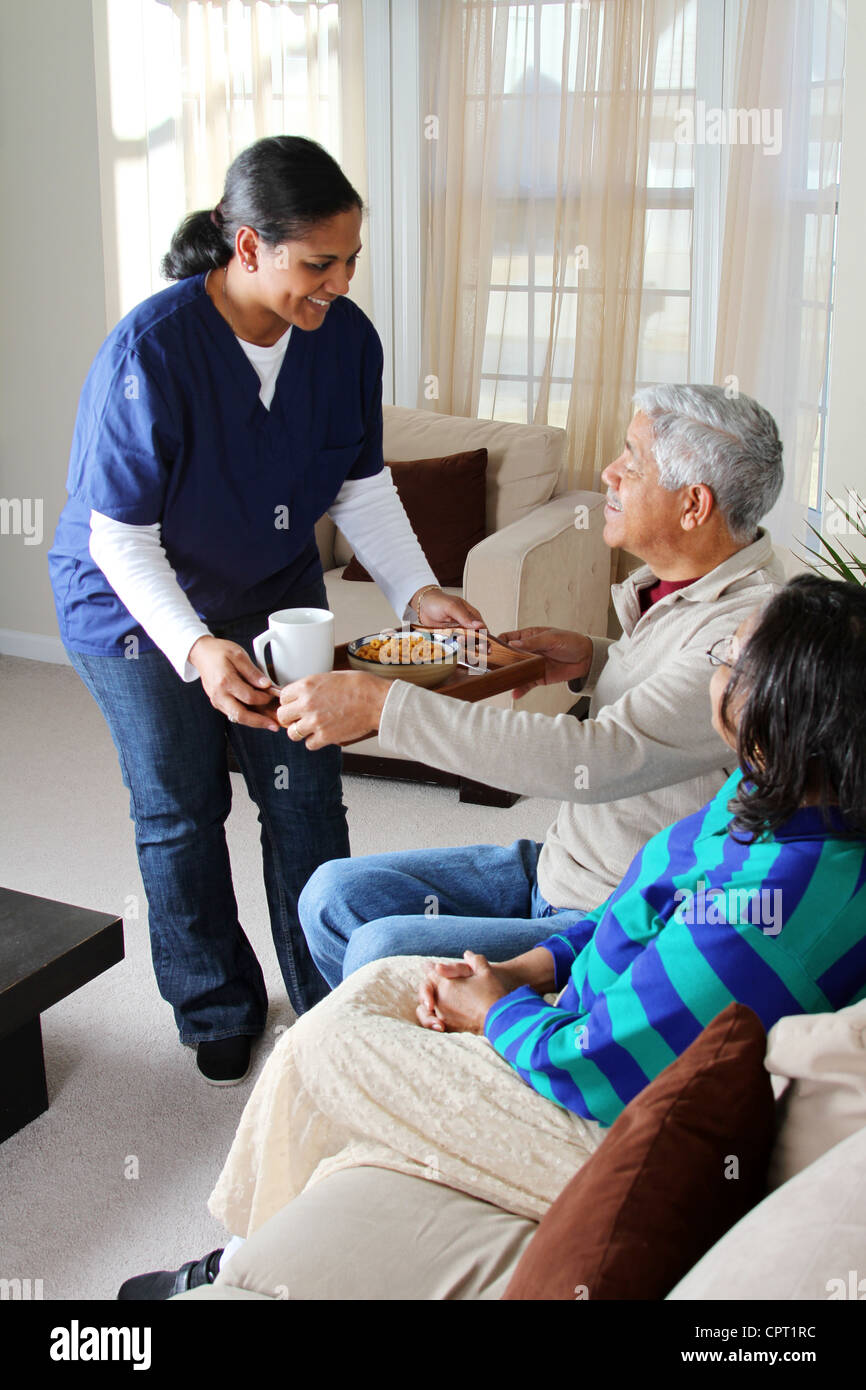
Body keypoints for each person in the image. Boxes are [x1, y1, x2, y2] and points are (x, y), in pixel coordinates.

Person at [117, 575, 866, 1298]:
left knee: (323, 1046)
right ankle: (268, 1243)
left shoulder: (763, 912)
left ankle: (238, 1262)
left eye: (730, 659)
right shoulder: (767, 793)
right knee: (372, 974)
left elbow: (596, 1068)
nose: (716, 668)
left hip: (593, 1115)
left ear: (783, 706)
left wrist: (494, 1011)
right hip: (580, 1000)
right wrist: (527, 968)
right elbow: (635, 914)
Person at [47, 135, 482, 1084]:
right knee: (180, 806)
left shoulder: (345, 340)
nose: (340, 283)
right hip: (134, 606)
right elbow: (122, 538)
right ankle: (215, 1006)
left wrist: (417, 589)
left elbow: (360, 485)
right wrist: (197, 647)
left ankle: (328, 997)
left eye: (351, 259)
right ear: (248, 246)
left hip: (273, 589)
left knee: (304, 792)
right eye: (319, 263)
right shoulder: (151, 354)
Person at [287, 384, 787, 981]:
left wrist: (387, 708)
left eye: (632, 462)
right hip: (562, 866)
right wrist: (594, 657)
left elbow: (598, 758)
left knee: (382, 951)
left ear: (693, 505)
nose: (609, 473)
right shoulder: (681, 584)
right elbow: (677, 706)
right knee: (332, 896)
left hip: (617, 915)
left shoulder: (744, 635)